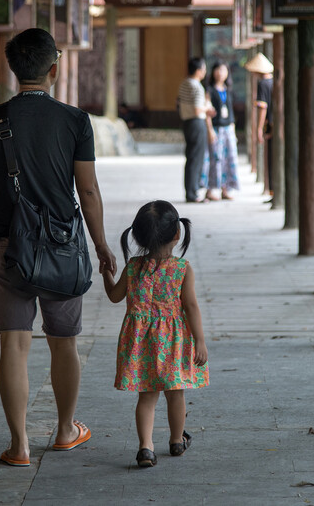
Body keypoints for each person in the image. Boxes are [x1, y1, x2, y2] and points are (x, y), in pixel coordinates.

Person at [0, 28, 117, 467]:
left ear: (14, 70)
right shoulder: (74, 120)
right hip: (62, 247)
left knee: (14, 344)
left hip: (8, 245)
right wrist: (102, 243)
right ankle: (66, 430)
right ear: (54, 68)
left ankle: (19, 446)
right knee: (63, 342)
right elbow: (87, 191)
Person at [102, 200, 209, 468]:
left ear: (138, 236)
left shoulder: (133, 267)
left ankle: (145, 448)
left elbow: (115, 296)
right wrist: (200, 341)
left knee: (146, 396)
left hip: (141, 344)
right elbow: (192, 306)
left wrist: (106, 273)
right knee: (176, 393)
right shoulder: (182, 269)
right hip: (173, 342)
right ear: (177, 234)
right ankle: (175, 441)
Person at [177, 57, 216, 203]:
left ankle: (191, 191)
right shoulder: (196, 86)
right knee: (196, 158)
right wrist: (208, 108)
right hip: (196, 122)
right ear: (199, 70)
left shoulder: (184, 83)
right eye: (204, 68)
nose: (205, 71)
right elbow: (197, 109)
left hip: (187, 122)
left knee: (191, 157)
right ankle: (193, 193)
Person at [203, 61, 240, 201]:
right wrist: (210, 130)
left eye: (223, 70)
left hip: (228, 128)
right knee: (215, 158)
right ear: (213, 72)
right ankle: (213, 187)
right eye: (218, 70)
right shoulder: (209, 90)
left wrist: (233, 130)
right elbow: (207, 112)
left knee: (230, 158)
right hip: (216, 128)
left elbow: (230, 112)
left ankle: (227, 187)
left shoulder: (228, 90)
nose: (220, 73)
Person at [246, 53, 275, 197]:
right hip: (275, 125)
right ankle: (273, 191)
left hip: (270, 126)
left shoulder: (263, 83)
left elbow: (262, 108)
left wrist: (258, 128)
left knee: (271, 159)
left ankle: (272, 191)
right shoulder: (273, 81)